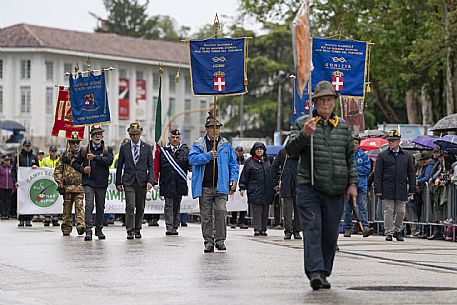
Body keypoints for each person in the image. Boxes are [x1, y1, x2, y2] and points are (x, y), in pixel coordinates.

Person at [285, 80, 358, 290]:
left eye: (329, 99)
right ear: (315, 102)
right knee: (312, 228)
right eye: (322, 100)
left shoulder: (343, 127)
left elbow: (349, 158)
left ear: (335, 102)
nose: (326, 103)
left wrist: (352, 183)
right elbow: (290, 150)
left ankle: (324, 272)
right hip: (310, 187)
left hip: (335, 189)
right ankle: (315, 272)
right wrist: (304, 135)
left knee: (330, 234)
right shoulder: (303, 123)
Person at [189, 113, 238, 253]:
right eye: (212, 127)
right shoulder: (199, 144)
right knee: (206, 216)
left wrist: (234, 179)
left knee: (221, 211)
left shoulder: (226, 145)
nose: (215, 130)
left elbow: (233, 164)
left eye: (217, 127)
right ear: (206, 129)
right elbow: (192, 159)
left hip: (221, 186)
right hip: (204, 186)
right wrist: (208, 156)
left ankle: (220, 240)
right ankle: (208, 241)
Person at [73, 125, 113, 241]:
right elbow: (75, 163)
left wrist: (95, 157)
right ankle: (88, 230)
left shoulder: (107, 149)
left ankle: (99, 229)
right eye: (95, 134)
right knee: (89, 205)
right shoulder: (85, 149)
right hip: (89, 182)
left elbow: (109, 161)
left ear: (102, 135)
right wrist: (83, 169)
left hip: (101, 182)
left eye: (99, 134)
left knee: (100, 207)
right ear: (91, 136)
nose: (97, 136)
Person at [374, 129, 416, 242]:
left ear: (398, 141)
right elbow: (377, 174)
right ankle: (389, 232)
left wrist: (412, 187)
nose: (390, 142)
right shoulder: (383, 155)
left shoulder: (406, 156)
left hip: (401, 187)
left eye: (393, 140)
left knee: (401, 211)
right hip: (388, 187)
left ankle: (398, 230)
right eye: (389, 141)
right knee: (388, 210)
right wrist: (378, 189)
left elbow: (411, 173)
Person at [115, 122, 153, 240]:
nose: (134, 137)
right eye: (132, 134)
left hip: (142, 181)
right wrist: (118, 182)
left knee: (140, 206)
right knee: (130, 205)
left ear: (140, 134)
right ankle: (130, 230)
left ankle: (138, 228)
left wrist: (150, 180)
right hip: (128, 181)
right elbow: (119, 165)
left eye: (136, 134)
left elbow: (150, 166)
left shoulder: (147, 148)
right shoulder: (124, 147)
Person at [154, 129, 190, 236]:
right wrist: (155, 180)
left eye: (177, 138)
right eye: (173, 137)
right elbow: (157, 167)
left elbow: (190, 165)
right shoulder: (162, 150)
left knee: (177, 205)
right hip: (167, 181)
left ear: (180, 139)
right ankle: (169, 227)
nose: (175, 139)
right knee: (168, 204)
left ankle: (175, 226)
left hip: (179, 182)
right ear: (169, 138)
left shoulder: (186, 151)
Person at [239, 142, 275, 236]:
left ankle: (264, 229)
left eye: (261, 149)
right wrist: (242, 187)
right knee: (257, 210)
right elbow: (244, 175)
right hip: (254, 190)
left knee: (265, 210)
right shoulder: (249, 162)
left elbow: (275, 172)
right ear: (254, 150)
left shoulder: (269, 160)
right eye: (257, 149)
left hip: (267, 189)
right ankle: (257, 229)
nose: (259, 151)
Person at [54, 132, 85, 236]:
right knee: (67, 209)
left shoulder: (83, 155)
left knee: (79, 207)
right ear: (69, 144)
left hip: (80, 186)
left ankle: (80, 226)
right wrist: (60, 183)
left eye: (77, 143)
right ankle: (66, 228)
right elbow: (57, 171)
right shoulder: (64, 157)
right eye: (73, 143)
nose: (75, 145)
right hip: (67, 187)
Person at [343, 134, 374, 237]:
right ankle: (347, 228)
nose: (354, 145)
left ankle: (365, 226)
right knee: (348, 208)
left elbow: (367, 169)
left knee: (362, 206)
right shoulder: (346, 155)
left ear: (359, 144)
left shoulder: (364, 156)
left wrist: (354, 168)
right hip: (348, 186)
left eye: (356, 143)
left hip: (361, 185)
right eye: (352, 143)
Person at [271, 148, 302, 240]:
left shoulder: (301, 151)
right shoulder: (283, 152)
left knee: (297, 209)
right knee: (289, 209)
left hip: (298, 184)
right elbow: (274, 167)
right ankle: (290, 230)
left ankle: (294, 231)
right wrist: (276, 181)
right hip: (288, 184)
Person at [11, 140, 40, 227]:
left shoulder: (34, 157)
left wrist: (36, 167)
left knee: (30, 200)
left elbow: (39, 170)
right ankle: (21, 219)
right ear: (23, 146)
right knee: (21, 200)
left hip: (31, 183)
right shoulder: (18, 157)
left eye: (28, 146)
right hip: (21, 184)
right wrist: (15, 181)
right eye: (26, 146)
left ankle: (28, 219)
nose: (27, 147)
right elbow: (13, 170)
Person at [230, 146, 248, 229]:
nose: (240, 152)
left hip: (243, 183)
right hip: (234, 183)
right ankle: (233, 221)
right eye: (238, 151)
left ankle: (242, 221)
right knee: (234, 203)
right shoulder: (233, 160)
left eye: (241, 151)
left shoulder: (246, 161)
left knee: (243, 203)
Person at [42, 145, 60, 226]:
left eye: (54, 151)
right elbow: (41, 168)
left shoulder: (60, 160)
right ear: (49, 152)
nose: (53, 153)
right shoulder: (45, 160)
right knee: (48, 200)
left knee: (56, 200)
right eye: (52, 151)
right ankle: (47, 219)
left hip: (57, 183)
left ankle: (55, 219)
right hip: (48, 183)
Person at [0, 156, 15, 220]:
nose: (7, 162)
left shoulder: (11, 168)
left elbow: (13, 177)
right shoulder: (0, 168)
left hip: (9, 187)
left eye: (8, 160)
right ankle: (3, 214)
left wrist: (14, 186)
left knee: (8, 201)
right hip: (2, 187)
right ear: (3, 161)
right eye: (6, 160)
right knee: (2, 201)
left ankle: (7, 213)